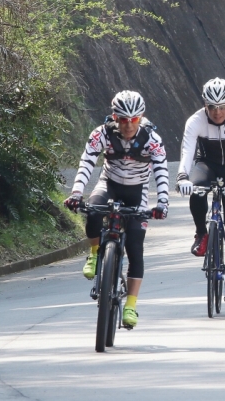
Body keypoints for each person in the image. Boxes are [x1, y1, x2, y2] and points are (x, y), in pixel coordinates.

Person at [64, 91, 169, 328]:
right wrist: (76, 193)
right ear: (115, 117)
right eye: (123, 119)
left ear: (141, 117)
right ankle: (94, 254)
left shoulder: (153, 139)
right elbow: (87, 161)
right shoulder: (101, 134)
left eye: (134, 119)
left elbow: (162, 171)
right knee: (92, 211)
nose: (129, 125)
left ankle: (131, 304)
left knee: (135, 246)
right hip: (109, 183)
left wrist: (163, 203)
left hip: (137, 191)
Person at [177, 78, 225, 301]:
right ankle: (202, 232)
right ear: (204, 105)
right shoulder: (195, 121)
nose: (217, 112)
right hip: (207, 163)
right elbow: (187, 153)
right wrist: (182, 177)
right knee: (195, 188)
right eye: (212, 107)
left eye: (222, 107)